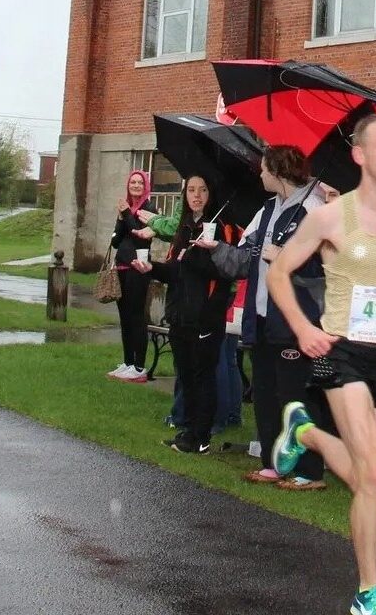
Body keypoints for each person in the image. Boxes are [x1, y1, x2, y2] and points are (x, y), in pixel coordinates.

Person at [267, 112, 376, 615]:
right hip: (342, 353)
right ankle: (369, 592)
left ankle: (305, 435)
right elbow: (279, 272)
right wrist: (304, 329)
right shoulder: (330, 216)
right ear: (360, 155)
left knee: (374, 479)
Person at [206, 144, 330, 489]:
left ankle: (310, 470)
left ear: (277, 172)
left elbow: (327, 269)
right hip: (261, 317)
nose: (259, 175)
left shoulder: (314, 210)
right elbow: (246, 259)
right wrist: (216, 249)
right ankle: (275, 463)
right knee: (266, 393)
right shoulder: (267, 210)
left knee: (297, 396)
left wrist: (291, 259)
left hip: (296, 320)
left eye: (263, 169)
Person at [147, 174, 239, 453]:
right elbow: (176, 270)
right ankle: (186, 430)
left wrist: (199, 255)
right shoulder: (185, 227)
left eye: (202, 189)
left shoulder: (223, 227)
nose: (196, 195)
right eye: (191, 190)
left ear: (211, 194)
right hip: (180, 314)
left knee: (203, 376)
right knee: (185, 375)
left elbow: (226, 270)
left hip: (206, 315)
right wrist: (151, 268)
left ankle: (201, 437)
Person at [106, 169, 157, 383]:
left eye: (139, 182)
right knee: (124, 317)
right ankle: (127, 362)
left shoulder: (148, 209)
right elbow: (116, 241)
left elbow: (141, 238)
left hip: (139, 268)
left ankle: (139, 367)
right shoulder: (126, 207)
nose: (135, 186)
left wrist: (127, 215)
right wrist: (121, 218)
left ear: (145, 186)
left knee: (137, 317)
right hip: (122, 268)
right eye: (132, 182)